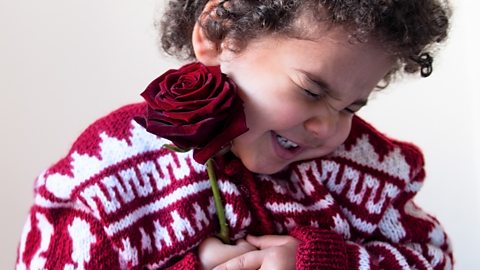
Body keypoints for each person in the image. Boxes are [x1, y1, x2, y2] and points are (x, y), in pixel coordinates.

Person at [16, 0, 453, 269]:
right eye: (311, 90)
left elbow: (433, 259)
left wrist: (321, 262)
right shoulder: (112, 171)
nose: (330, 127)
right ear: (217, 35)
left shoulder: (367, 169)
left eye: (352, 107)